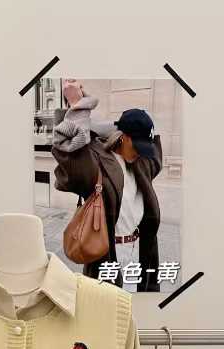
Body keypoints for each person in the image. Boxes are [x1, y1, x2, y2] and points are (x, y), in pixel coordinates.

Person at [51, 81, 162, 292]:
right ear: (123, 137)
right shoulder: (98, 163)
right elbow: (70, 152)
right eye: (137, 145)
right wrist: (77, 106)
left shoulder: (143, 164)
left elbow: (157, 156)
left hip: (138, 254)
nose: (141, 152)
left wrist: (134, 123)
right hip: (108, 255)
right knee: (109, 308)